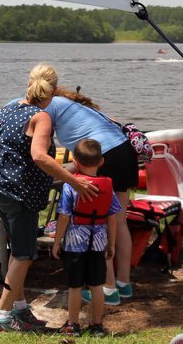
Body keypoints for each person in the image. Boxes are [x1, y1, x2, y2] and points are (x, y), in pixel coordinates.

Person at [0, 64, 99, 331]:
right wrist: (73, 181)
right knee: (24, 254)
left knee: (17, 249)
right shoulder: (41, 117)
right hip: (18, 192)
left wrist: (3, 160)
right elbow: (40, 156)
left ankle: (20, 308)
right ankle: (3, 315)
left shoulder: (10, 108)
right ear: (54, 91)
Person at [43, 86, 141, 301]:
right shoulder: (82, 108)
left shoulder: (50, 105)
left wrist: (50, 173)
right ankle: (124, 283)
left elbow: (50, 147)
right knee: (120, 221)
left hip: (106, 154)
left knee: (99, 223)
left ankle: (108, 288)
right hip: (124, 152)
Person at [51, 138, 121, 337]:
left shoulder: (70, 186)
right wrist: (112, 243)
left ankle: (73, 325)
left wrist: (57, 241)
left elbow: (64, 216)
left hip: (75, 243)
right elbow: (112, 217)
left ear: (76, 161)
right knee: (97, 286)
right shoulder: (107, 186)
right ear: (101, 161)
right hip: (99, 242)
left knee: (75, 286)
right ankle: (96, 325)